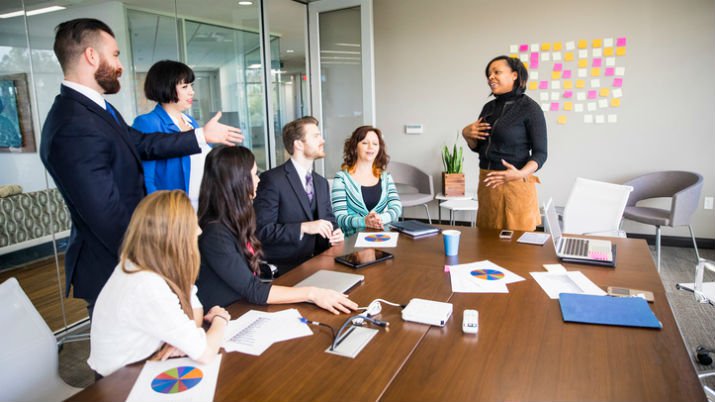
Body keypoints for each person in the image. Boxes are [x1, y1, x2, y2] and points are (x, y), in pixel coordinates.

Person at [39, 18, 242, 312]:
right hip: (117, 265)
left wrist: (200, 136)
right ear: (91, 56)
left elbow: (143, 144)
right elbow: (106, 214)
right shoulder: (74, 123)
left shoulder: (96, 110)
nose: (119, 64)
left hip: (134, 259)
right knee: (131, 354)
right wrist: (156, 264)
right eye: (116, 54)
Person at [196, 146, 358, 314]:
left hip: (244, 304)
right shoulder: (215, 234)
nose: (258, 180)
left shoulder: (235, 220)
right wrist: (312, 293)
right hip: (228, 314)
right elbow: (253, 289)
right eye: (253, 174)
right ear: (237, 181)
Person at [87, 190, 229, 377]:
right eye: (192, 225)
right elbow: (206, 353)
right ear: (175, 235)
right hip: (121, 383)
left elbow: (194, 311)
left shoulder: (139, 263)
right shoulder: (146, 285)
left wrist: (182, 341)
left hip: (141, 366)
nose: (199, 231)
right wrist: (221, 319)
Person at [461, 55, 547, 231]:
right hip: (487, 183)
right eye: (489, 74)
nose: (490, 77)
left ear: (515, 75)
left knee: (517, 251)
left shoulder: (530, 108)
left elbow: (541, 153)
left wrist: (520, 173)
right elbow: (480, 148)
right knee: (487, 241)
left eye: (496, 72)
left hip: (515, 184)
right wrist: (467, 135)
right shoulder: (488, 108)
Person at [253, 116, 343, 275]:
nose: (322, 140)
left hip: (321, 263)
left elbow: (329, 220)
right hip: (286, 269)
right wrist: (303, 227)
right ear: (298, 144)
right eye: (316, 136)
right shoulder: (272, 180)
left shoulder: (321, 183)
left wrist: (335, 232)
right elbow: (262, 231)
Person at [133, 60, 211, 209]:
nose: (192, 92)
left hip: (200, 208)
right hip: (173, 214)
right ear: (166, 87)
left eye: (191, 85)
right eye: (184, 86)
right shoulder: (147, 123)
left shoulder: (190, 121)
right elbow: (146, 179)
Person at [331, 125, 402, 236]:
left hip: (383, 238)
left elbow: (397, 208)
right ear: (355, 147)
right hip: (352, 241)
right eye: (365, 143)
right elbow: (339, 217)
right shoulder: (341, 178)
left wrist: (380, 218)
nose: (370, 147)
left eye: (375, 144)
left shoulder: (386, 177)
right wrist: (364, 222)